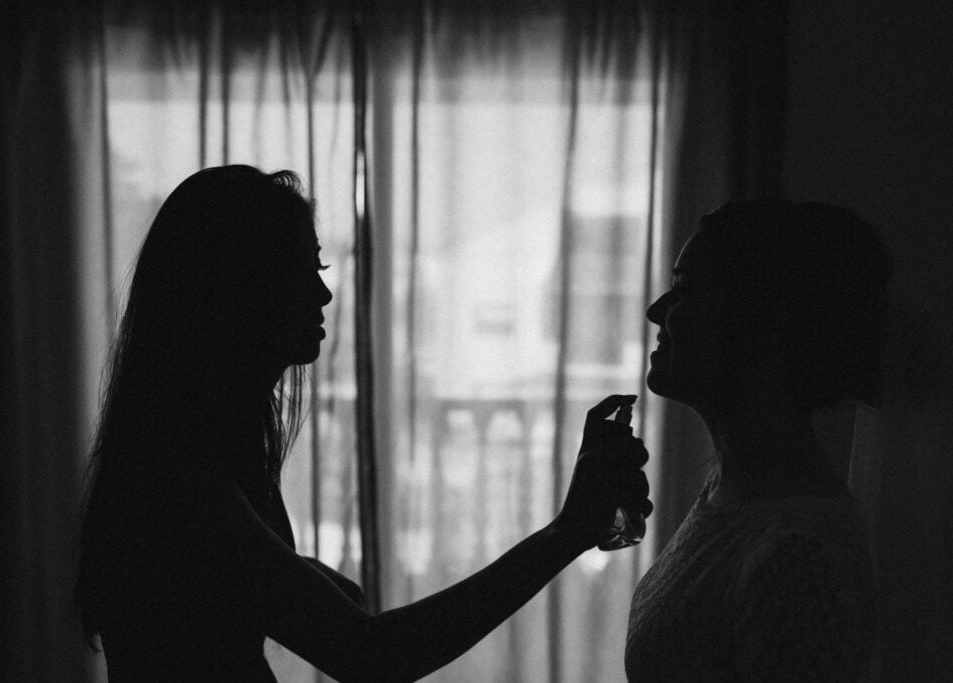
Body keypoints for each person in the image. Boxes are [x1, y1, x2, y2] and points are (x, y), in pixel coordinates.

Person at [74, 165, 653, 681]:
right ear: (237, 289)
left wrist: (300, 580)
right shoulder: (182, 479)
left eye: (320, 266)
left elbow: (262, 598)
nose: (324, 292)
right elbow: (372, 655)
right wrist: (565, 535)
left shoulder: (182, 456)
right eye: (301, 269)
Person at [625, 199, 889, 680]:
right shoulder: (732, 493)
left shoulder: (796, 559)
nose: (656, 310)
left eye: (687, 290)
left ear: (764, 323)